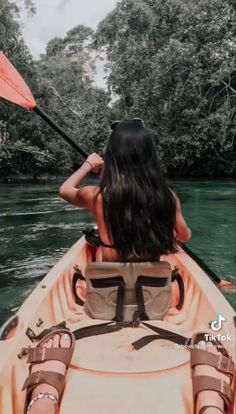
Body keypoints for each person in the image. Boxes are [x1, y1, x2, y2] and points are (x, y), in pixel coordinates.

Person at [23, 120, 232, 414]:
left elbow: (65, 190)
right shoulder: (166, 197)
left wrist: (89, 165)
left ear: (113, 157)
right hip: (156, 300)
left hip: (102, 299)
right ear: (150, 156)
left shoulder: (98, 197)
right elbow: (184, 237)